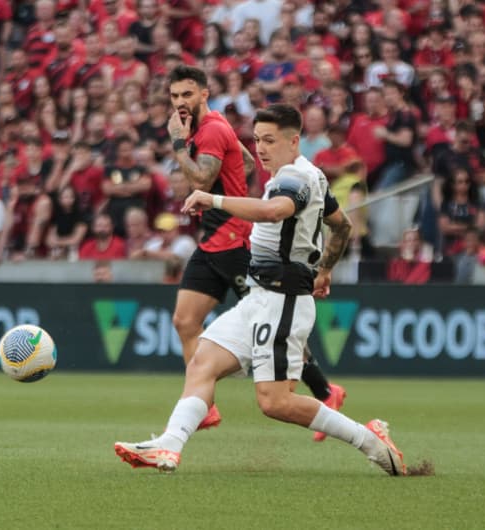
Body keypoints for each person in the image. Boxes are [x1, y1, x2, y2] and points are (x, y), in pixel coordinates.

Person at [114, 104, 406, 476]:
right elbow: (341, 226)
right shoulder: (309, 176)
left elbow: (274, 211)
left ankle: (371, 440)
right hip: (260, 297)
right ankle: (169, 447)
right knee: (202, 361)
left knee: (275, 403)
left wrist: (212, 198)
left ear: (294, 140)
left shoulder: (295, 179)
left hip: (282, 300)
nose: (261, 148)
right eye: (257, 140)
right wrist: (325, 270)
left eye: (269, 140)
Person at [166, 64, 343, 439]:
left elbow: (199, 178)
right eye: (174, 95)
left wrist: (178, 145)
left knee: (273, 315)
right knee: (184, 321)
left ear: (203, 94)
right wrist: (231, 179)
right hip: (213, 238)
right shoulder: (208, 128)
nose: (180, 102)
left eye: (186, 94)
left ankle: (326, 390)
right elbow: (244, 161)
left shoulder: (209, 129)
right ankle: (204, 406)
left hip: (236, 238)